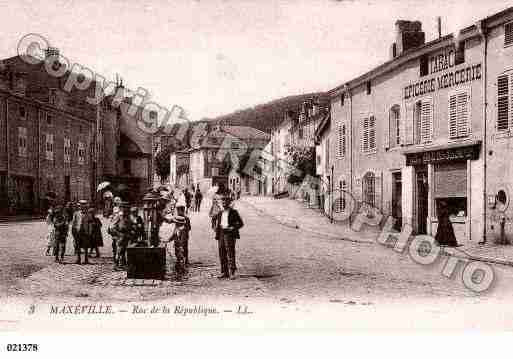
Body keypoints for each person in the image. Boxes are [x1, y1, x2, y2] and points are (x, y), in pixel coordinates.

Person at [214, 195, 244, 279]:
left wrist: (233, 227)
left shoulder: (234, 212)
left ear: (229, 203)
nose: (224, 203)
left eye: (226, 201)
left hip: (230, 234)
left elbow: (241, 223)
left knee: (230, 252)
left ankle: (232, 272)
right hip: (221, 234)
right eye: (222, 202)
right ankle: (224, 272)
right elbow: (218, 225)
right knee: (222, 252)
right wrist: (217, 234)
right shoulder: (220, 213)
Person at [110, 202, 135, 269]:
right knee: (119, 251)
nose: (127, 210)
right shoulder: (118, 216)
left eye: (128, 208)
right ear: (122, 209)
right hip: (120, 236)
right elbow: (112, 227)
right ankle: (116, 265)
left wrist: (133, 229)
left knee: (123, 251)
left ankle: (122, 264)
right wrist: (118, 234)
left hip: (127, 235)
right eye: (125, 208)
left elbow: (132, 224)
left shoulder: (129, 217)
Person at [108, 197, 123, 261]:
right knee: (117, 243)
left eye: (118, 201)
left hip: (115, 228)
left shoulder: (117, 210)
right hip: (115, 228)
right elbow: (114, 220)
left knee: (117, 243)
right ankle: (117, 258)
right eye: (116, 202)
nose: (117, 203)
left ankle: (117, 258)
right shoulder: (117, 211)